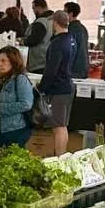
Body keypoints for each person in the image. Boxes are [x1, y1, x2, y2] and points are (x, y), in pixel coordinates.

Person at [40, 11, 77, 156]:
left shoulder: (57, 43)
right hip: (68, 85)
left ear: (55, 22)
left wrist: (42, 88)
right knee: (63, 125)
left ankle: (60, 157)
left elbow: (51, 69)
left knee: (58, 126)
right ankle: (61, 155)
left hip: (59, 89)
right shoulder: (72, 40)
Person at [0, 46, 34, 148]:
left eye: (3, 61)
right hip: (4, 129)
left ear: (13, 62)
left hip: (17, 129)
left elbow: (26, 104)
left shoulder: (21, 79)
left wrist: (0, 108)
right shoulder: (6, 80)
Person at [24, 0, 55, 74]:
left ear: (39, 7)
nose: (33, 11)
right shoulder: (53, 20)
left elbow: (33, 40)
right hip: (48, 58)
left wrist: (23, 41)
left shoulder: (41, 22)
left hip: (38, 61)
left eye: (34, 8)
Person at [63, 1, 90, 78]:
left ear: (70, 14)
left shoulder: (70, 29)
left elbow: (69, 49)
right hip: (84, 65)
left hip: (74, 67)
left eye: (65, 11)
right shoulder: (83, 28)